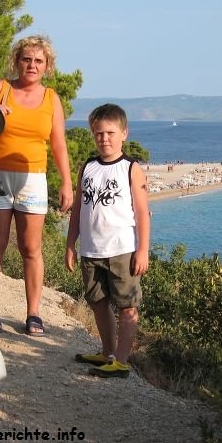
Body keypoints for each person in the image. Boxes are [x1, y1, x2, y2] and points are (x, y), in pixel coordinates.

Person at [0, 36, 72, 336]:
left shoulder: (51, 98)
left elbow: (58, 143)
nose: (32, 65)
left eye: (38, 61)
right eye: (26, 59)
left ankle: (33, 313)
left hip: (33, 178)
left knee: (31, 248)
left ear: (47, 66)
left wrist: (67, 182)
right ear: (16, 62)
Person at [65, 104, 150, 378]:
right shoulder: (87, 167)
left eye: (111, 133)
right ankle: (107, 352)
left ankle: (121, 362)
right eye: (99, 133)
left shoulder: (131, 168)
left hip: (123, 249)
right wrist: (70, 244)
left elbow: (142, 212)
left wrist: (143, 250)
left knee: (127, 305)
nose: (104, 138)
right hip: (91, 249)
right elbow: (78, 209)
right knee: (97, 303)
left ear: (124, 133)